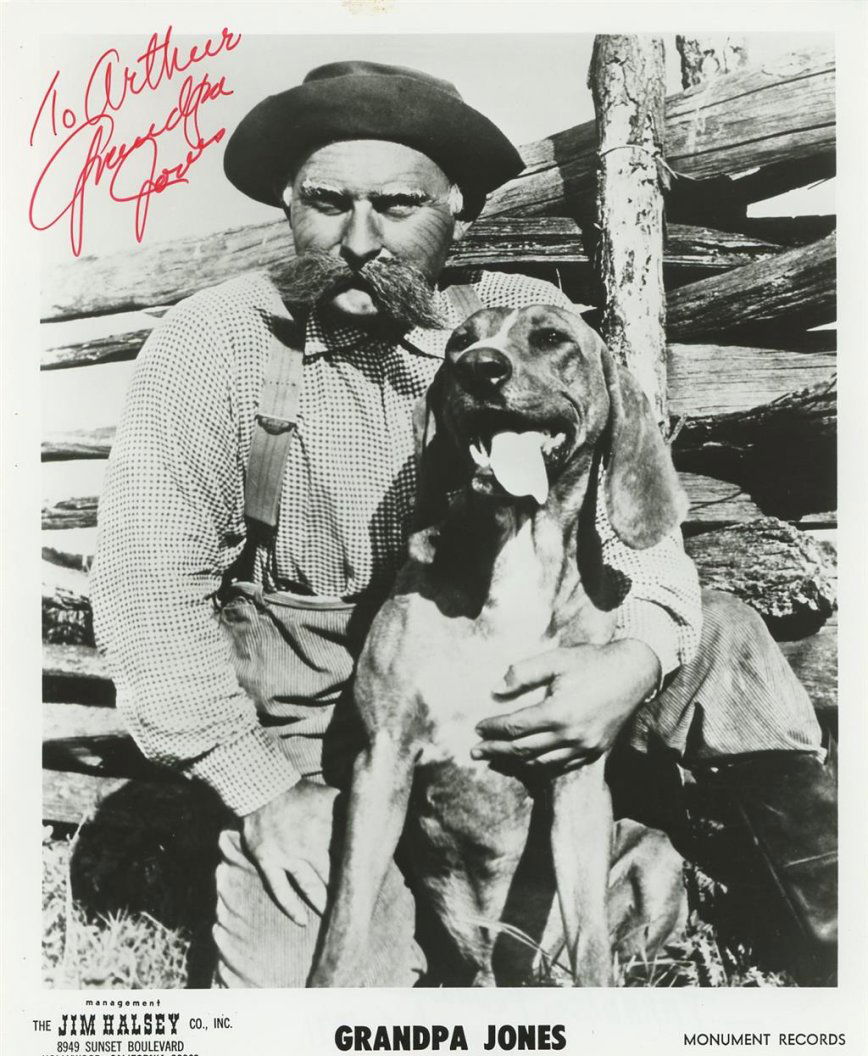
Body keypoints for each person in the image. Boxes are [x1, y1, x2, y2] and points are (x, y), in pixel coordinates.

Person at [90, 60, 836, 988]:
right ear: (286, 202)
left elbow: (652, 546)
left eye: (398, 206)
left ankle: (829, 943)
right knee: (311, 996)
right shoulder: (220, 344)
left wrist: (631, 663)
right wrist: (261, 790)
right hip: (321, 730)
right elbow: (146, 596)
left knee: (720, 634)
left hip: (530, 668)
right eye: (327, 201)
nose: (359, 239)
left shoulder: (515, 328)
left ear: (461, 209)